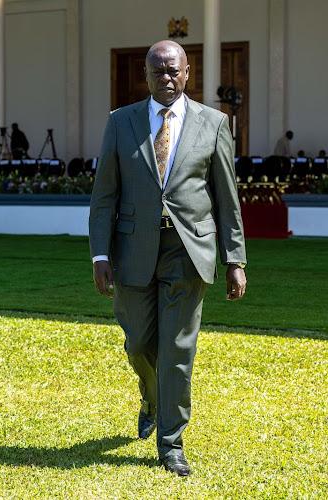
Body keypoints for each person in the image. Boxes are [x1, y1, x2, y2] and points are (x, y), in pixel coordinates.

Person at [89, 40, 247, 477]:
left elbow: (226, 199)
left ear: (188, 72)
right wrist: (100, 253)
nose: (167, 78)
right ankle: (151, 396)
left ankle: (171, 442)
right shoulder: (120, 123)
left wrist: (236, 259)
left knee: (177, 348)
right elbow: (105, 194)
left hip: (187, 250)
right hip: (132, 250)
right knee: (139, 342)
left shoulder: (214, 123)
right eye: (158, 71)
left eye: (174, 71)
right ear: (146, 74)